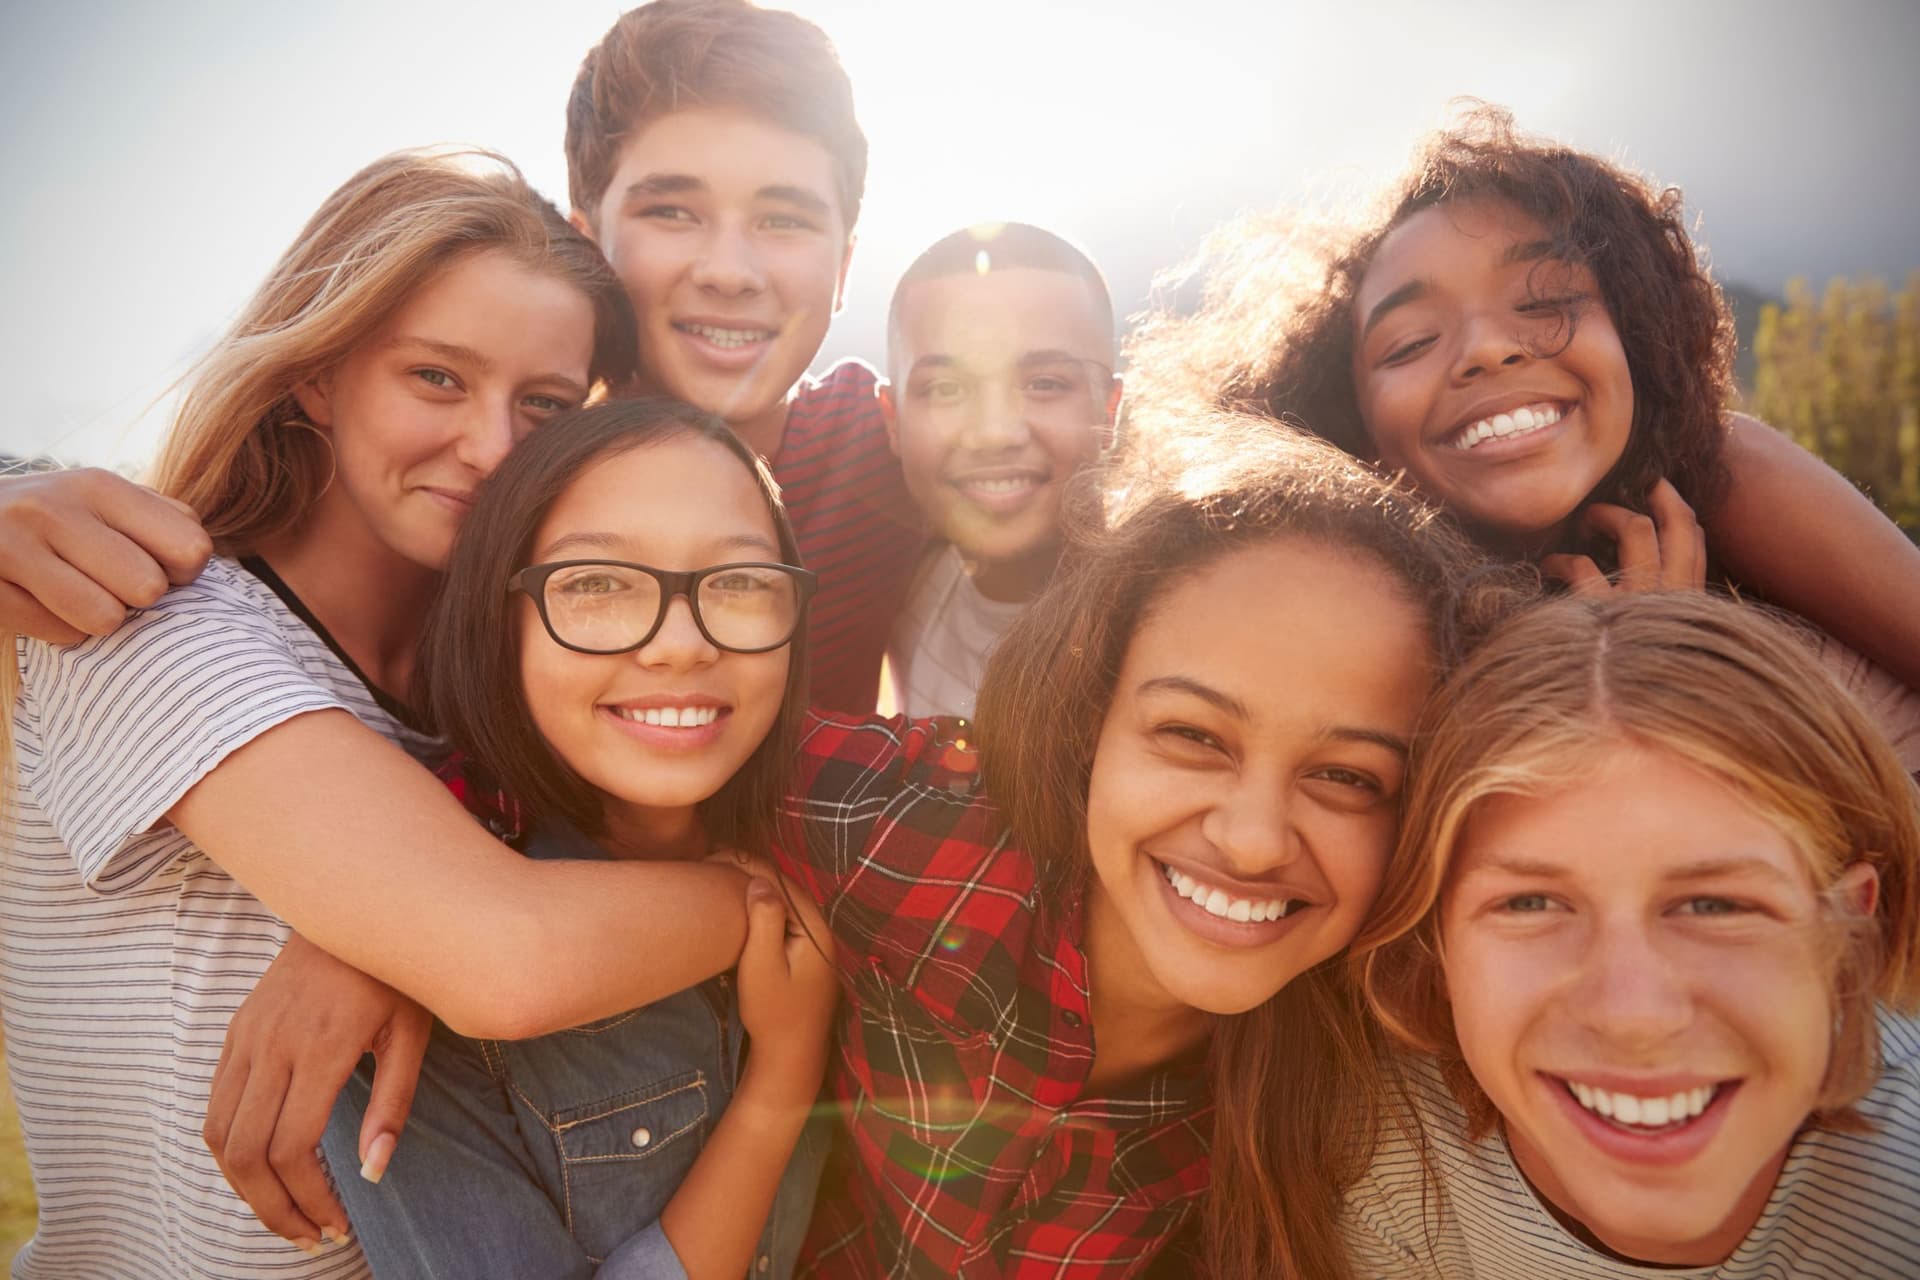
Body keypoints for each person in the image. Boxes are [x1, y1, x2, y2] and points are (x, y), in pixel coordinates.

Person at [206, 414, 1527, 1277]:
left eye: (1350, 776)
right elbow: (613, 764)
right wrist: (385, 921)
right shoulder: (907, 822)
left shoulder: (1383, 1041)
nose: (1251, 837)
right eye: (1190, 738)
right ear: (1086, 726)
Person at [0, 148, 640, 1280]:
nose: (493, 445)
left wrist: (401, 924)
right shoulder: (147, 618)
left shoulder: (497, 698)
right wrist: (767, 898)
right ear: (317, 375)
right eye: (437, 378)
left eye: (542, 404)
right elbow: (501, 949)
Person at [0, 0, 923, 713]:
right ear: (586, 242)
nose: (729, 270)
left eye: (785, 219)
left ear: (843, 266)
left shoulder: (896, 452)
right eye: (670, 210)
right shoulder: (501, 487)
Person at [1125, 105, 1920, 764]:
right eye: (1407, 344)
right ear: (1352, 434)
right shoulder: (1359, 645)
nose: (1486, 349)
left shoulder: (1728, 473)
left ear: (1634, 339)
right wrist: (1646, 674)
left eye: (1543, 300)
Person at [304, 399, 834, 1279]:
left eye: (739, 584)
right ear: (498, 618)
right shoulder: (418, 977)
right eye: (595, 584)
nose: (678, 645)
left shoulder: (841, 864)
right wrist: (781, 1084)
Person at [1346, 591, 1920, 1278]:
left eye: (1715, 906)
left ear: (1849, 934)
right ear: (1436, 945)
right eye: (1530, 903)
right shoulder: (1391, 1161)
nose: (1632, 1016)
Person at [879, 221, 1121, 719]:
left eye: (1046, 383)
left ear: (1111, 411)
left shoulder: (1165, 626)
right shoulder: (905, 581)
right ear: (892, 419)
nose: (994, 431)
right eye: (946, 388)